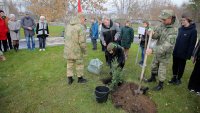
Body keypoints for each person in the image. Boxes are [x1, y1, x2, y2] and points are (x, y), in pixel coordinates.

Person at [146, 9, 178, 91]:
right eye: (162, 19)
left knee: (161, 70)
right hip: (158, 50)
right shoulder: (162, 25)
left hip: (165, 54)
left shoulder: (174, 31)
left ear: (170, 18)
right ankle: (152, 78)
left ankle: (160, 84)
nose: (162, 21)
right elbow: (157, 35)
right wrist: (152, 34)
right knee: (154, 65)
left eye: (164, 19)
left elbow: (166, 46)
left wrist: (152, 50)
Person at [169, 13, 197, 85]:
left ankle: (178, 79)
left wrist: (189, 54)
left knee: (181, 66)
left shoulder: (193, 31)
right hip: (176, 51)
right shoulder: (180, 29)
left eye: (184, 20)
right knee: (175, 65)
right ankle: (174, 77)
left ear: (188, 20)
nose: (182, 21)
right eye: (181, 20)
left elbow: (192, 44)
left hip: (184, 53)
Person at [64, 13, 87, 85]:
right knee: (79, 64)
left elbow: (65, 37)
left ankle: (70, 79)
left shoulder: (68, 26)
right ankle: (80, 79)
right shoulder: (80, 27)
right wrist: (84, 51)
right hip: (77, 50)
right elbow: (82, 41)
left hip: (68, 49)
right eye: (84, 19)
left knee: (69, 63)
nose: (84, 21)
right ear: (81, 18)